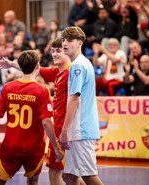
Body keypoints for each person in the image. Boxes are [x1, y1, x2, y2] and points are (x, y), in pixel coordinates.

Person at [0, 38, 76, 185]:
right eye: (52, 51)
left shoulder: (73, 72)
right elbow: (31, 68)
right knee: (70, 176)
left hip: (63, 130)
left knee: (58, 173)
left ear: (68, 51)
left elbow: (77, 100)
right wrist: (12, 64)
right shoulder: (56, 72)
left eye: (59, 50)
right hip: (58, 130)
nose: (54, 54)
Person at [58, 26, 103, 185]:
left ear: (80, 43)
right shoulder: (83, 63)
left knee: (88, 175)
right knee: (69, 176)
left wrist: (64, 130)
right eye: (63, 40)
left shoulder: (77, 66)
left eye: (69, 40)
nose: (65, 43)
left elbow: (74, 99)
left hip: (80, 129)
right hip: (79, 128)